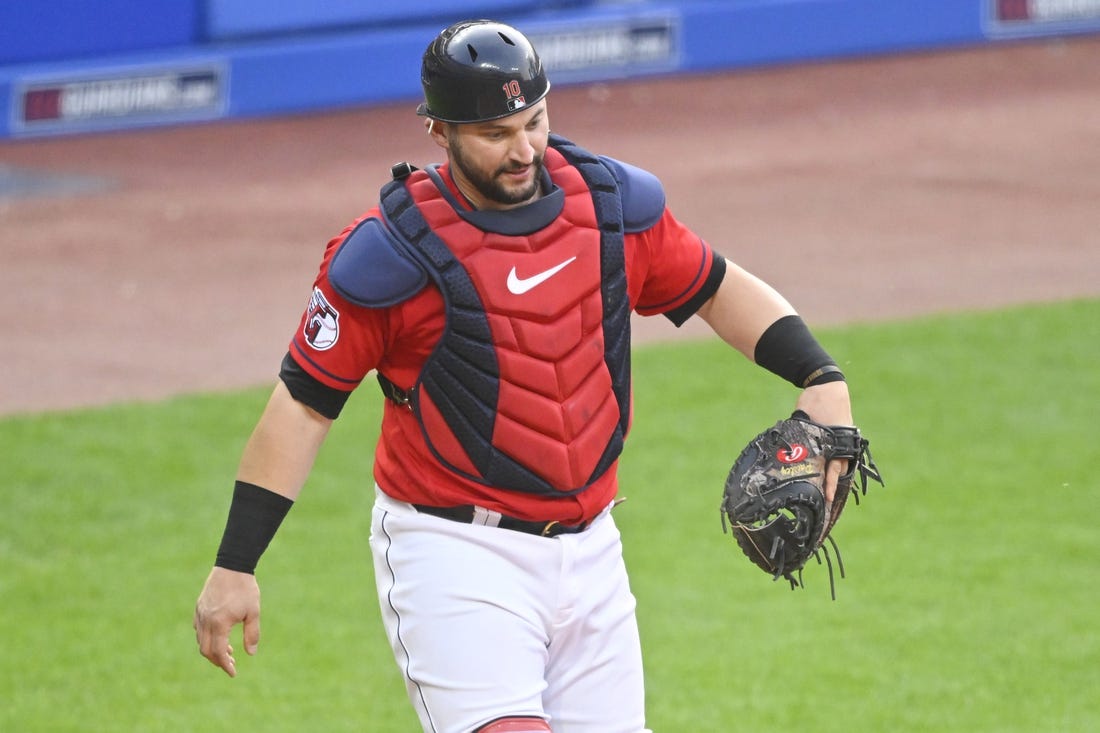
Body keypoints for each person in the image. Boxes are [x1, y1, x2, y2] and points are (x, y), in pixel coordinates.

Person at [193, 18, 855, 733]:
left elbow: (715, 286)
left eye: (534, 120)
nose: (524, 149)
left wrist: (821, 376)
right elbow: (302, 407)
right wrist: (236, 563)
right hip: (455, 555)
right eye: (495, 132)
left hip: (593, 549)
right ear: (440, 133)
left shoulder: (607, 210)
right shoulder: (391, 257)